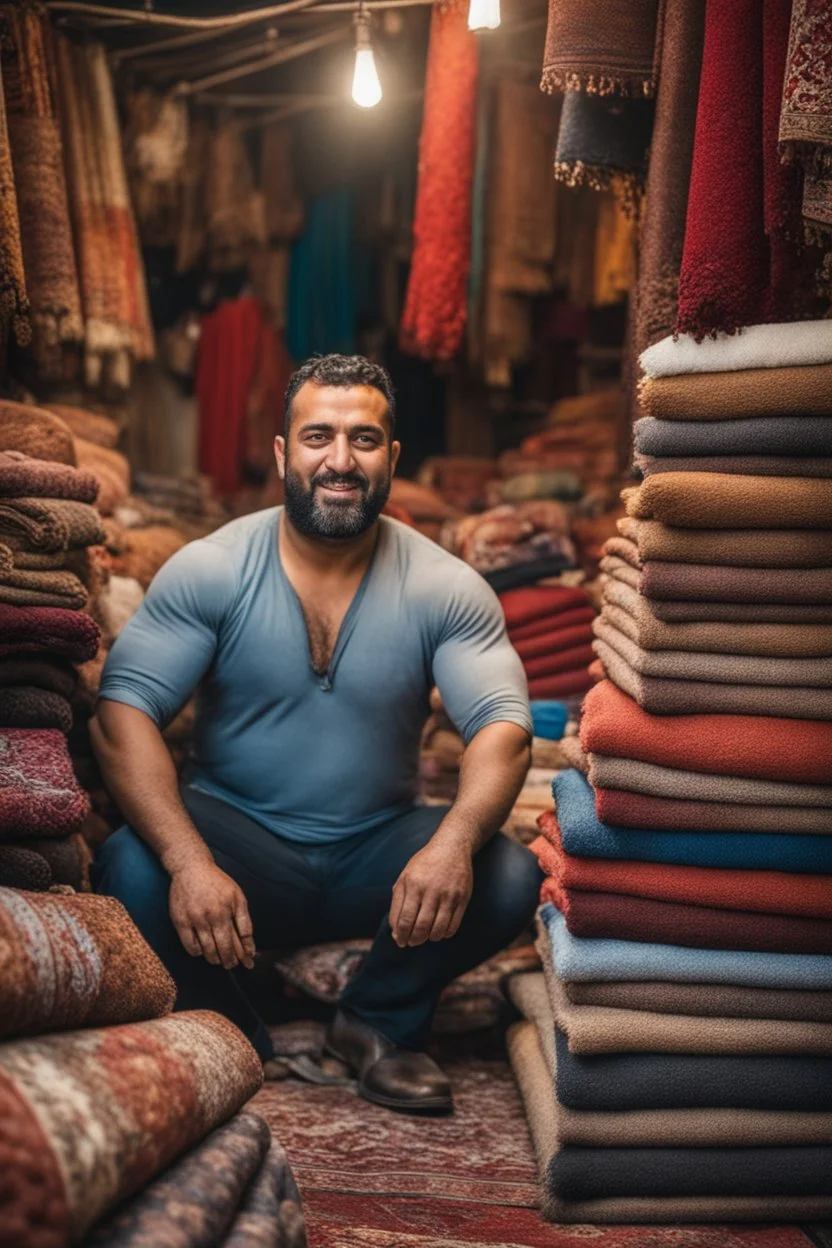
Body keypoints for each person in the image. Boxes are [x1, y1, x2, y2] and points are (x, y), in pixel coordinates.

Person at [91, 354, 542, 1114]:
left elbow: (504, 728)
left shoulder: (445, 585)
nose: (340, 460)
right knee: (129, 868)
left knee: (509, 876)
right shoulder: (212, 569)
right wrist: (190, 862)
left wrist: (452, 844)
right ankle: (233, 1023)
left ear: (393, 458)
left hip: (378, 856)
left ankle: (372, 1023)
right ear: (282, 452)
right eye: (318, 437)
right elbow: (120, 714)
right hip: (240, 847)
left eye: (364, 439)